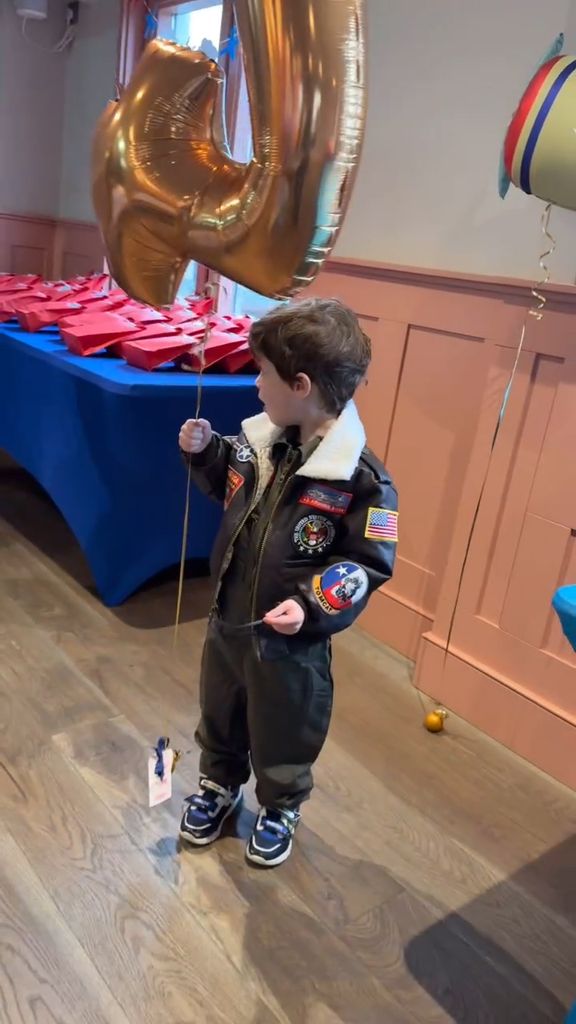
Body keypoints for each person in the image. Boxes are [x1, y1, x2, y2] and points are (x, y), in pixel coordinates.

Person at [178, 297, 398, 867]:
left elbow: (365, 564)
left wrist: (311, 606)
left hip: (291, 645)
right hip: (229, 618)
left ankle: (280, 804)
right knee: (220, 712)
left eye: (263, 373)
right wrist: (206, 455)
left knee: (285, 728)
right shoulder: (260, 446)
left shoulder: (361, 480)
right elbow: (230, 484)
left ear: (300, 385)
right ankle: (219, 784)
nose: (255, 385)